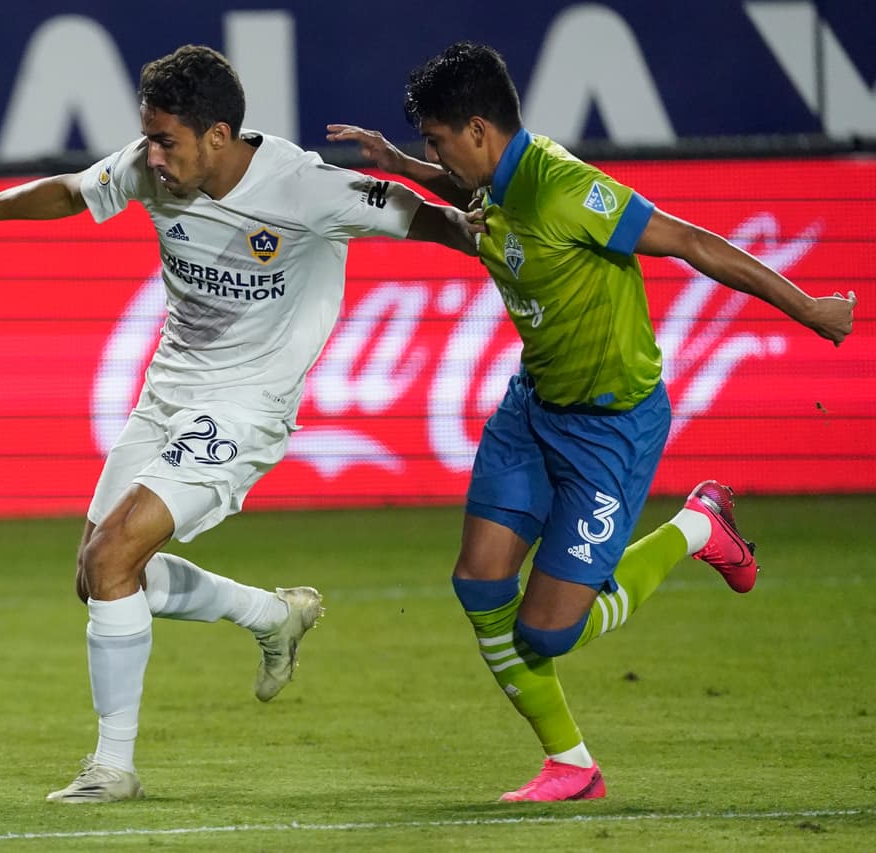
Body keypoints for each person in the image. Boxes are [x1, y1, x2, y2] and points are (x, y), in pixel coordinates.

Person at [0, 44, 482, 803]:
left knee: (114, 556)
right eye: (148, 138)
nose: (151, 156)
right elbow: (71, 192)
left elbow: (438, 222)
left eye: (166, 141)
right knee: (98, 578)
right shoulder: (152, 168)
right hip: (166, 396)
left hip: (246, 407)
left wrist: (509, 240)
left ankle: (113, 768)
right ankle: (271, 614)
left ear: (218, 135)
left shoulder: (305, 187)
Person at [328, 41, 856, 802]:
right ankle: (571, 765)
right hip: (533, 408)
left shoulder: (564, 188)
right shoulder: (495, 180)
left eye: (437, 140)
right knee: (479, 582)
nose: (433, 154)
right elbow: (463, 187)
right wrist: (401, 165)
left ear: (478, 130)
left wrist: (809, 308)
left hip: (611, 429)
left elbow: (690, 241)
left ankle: (697, 526)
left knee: (548, 633)